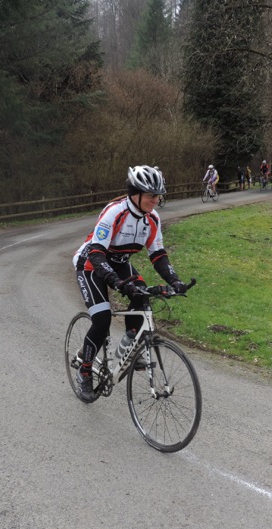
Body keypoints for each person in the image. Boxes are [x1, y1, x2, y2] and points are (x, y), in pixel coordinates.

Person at [72, 165, 189, 403]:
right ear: (135, 194)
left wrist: (175, 280)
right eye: (151, 195)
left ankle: (129, 345)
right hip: (91, 264)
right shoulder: (115, 212)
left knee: (142, 296)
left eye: (158, 196)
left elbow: (158, 255)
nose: (155, 200)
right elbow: (97, 253)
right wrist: (115, 282)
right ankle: (85, 371)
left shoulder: (152, 218)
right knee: (102, 319)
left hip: (119, 263)